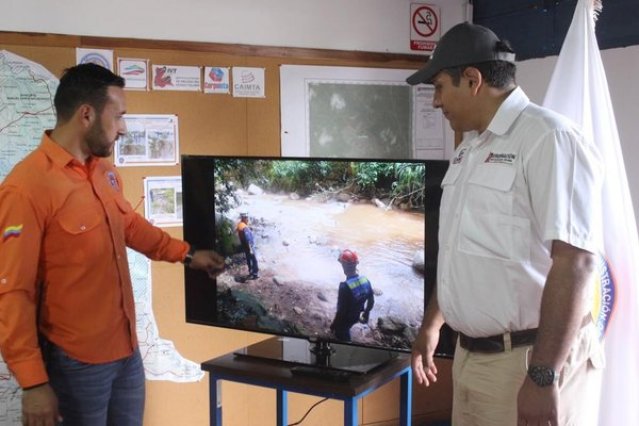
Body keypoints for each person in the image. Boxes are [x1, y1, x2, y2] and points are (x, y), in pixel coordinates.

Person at [0, 63, 225, 426]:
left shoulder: (103, 172)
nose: (122, 128)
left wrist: (186, 255)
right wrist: (33, 382)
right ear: (86, 114)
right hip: (75, 364)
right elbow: (13, 292)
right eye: (118, 116)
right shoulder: (26, 188)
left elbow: (130, 226)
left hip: (126, 352)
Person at [406, 22, 604, 426]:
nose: (435, 102)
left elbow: (576, 263)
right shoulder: (469, 149)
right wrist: (432, 323)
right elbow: (463, 250)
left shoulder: (549, 138)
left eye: (440, 86)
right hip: (472, 358)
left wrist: (543, 374)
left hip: (526, 362)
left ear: (473, 80)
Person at [330, 249, 375, 342]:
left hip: (346, 318)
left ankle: (346, 342)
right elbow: (371, 301)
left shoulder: (344, 286)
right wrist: (366, 313)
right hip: (357, 315)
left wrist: (334, 325)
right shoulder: (365, 280)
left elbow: (341, 312)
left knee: (342, 333)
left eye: (342, 264)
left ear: (344, 266)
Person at [236, 212, 259, 279]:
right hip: (249, 246)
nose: (248, 219)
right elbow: (247, 238)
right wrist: (251, 248)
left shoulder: (240, 225)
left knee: (249, 259)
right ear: (244, 218)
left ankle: (250, 271)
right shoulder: (244, 227)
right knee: (254, 259)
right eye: (246, 218)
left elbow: (237, 231)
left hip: (245, 246)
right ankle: (255, 274)